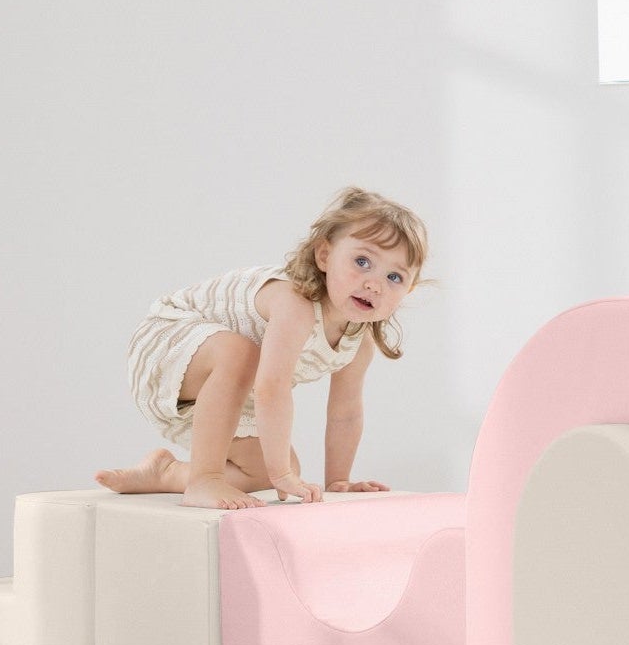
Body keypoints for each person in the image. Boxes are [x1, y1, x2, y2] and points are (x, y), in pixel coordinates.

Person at [99, 187, 427, 509]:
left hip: (222, 392)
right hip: (167, 346)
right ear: (324, 255)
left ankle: (168, 473)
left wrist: (336, 481)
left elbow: (345, 413)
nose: (374, 284)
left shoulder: (360, 341)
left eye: (394, 277)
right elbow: (272, 388)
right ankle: (203, 479)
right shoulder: (294, 303)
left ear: (409, 290)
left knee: (270, 469)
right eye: (362, 261)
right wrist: (281, 472)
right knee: (241, 356)